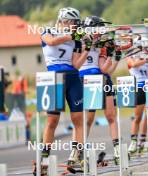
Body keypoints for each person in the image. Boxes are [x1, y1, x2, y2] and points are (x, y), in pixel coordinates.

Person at [34, 7, 87, 174]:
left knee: (78, 118)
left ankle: (77, 155)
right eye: (72, 23)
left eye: (76, 24)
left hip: (73, 77)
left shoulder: (77, 39)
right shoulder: (47, 31)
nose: (75, 26)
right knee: (52, 121)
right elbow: (51, 42)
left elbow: (76, 64)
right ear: (64, 21)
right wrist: (72, 35)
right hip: (54, 77)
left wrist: (87, 48)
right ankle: (44, 158)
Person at [74, 15, 129, 164]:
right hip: (83, 80)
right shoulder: (79, 39)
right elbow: (75, 38)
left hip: (102, 79)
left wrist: (113, 56)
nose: (101, 32)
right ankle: (77, 152)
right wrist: (91, 40)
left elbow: (104, 69)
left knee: (111, 116)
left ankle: (118, 150)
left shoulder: (102, 43)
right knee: (86, 119)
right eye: (98, 28)